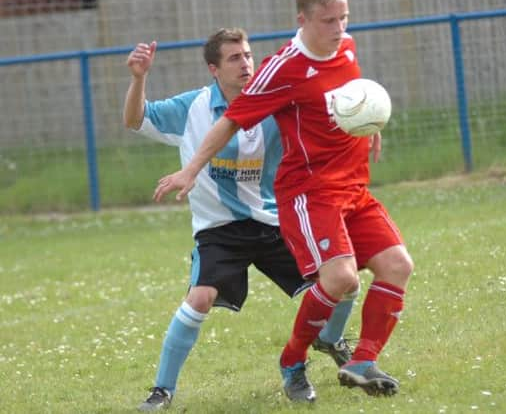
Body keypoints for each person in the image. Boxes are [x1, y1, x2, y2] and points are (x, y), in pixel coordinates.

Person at [153, 0, 414, 402]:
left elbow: (352, 93)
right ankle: (292, 360)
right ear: (303, 20)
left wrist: (370, 123)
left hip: (353, 185)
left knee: (398, 265)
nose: (339, 27)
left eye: (343, 17)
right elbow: (231, 122)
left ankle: (362, 361)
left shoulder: (346, 46)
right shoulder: (282, 69)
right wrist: (191, 168)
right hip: (310, 193)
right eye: (329, 20)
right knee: (340, 277)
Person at [123, 28, 357, 411]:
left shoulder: (275, 105)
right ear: (214, 69)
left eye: (248, 55)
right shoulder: (192, 108)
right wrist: (139, 78)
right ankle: (161, 391)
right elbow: (136, 119)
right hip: (219, 232)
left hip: (274, 222)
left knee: (342, 280)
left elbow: (321, 124)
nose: (246, 63)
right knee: (199, 298)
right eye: (234, 58)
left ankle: (330, 339)